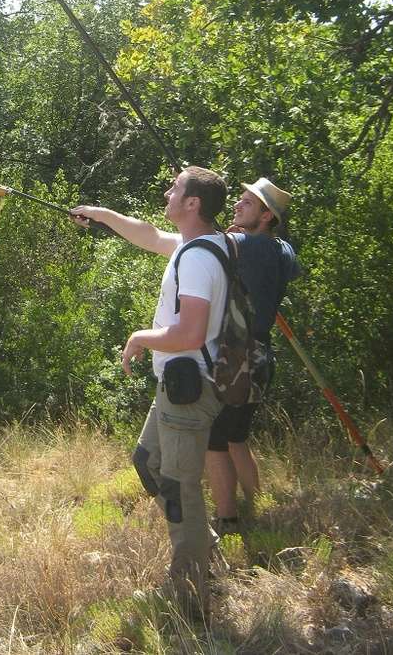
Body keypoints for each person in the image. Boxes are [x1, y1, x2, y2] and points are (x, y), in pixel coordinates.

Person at [71, 166, 228, 620]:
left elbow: (189, 332)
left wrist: (141, 336)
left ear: (193, 203)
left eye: (175, 188)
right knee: (148, 463)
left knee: (179, 488)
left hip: (189, 388)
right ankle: (202, 546)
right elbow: (148, 235)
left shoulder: (197, 258)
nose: (167, 192)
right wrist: (101, 215)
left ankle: (187, 593)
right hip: (178, 388)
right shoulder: (201, 245)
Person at [205, 177, 300, 534]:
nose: (236, 206)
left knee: (214, 441)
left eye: (246, 203)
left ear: (265, 217)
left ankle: (228, 520)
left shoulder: (252, 246)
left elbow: (207, 242)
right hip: (260, 357)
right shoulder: (280, 249)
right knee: (236, 438)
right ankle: (253, 506)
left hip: (240, 360)